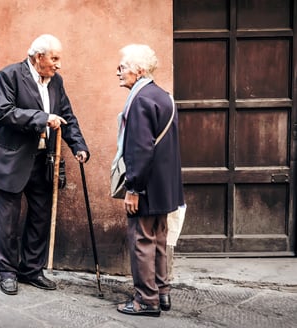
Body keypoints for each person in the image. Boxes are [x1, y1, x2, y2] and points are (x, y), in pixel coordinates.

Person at [0, 34, 90, 295]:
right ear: (38, 56)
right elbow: (5, 113)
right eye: (54, 58)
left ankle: (31, 269)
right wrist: (43, 118)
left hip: (43, 161)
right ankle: (7, 272)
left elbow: (66, 116)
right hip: (11, 160)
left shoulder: (56, 82)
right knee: (7, 222)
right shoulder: (9, 75)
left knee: (41, 217)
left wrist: (79, 146)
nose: (58, 64)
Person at [113, 44, 184, 316]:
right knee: (159, 239)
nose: (118, 72)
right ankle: (162, 292)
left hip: (146, 186)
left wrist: (134, 188)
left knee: (142, 240)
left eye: (123, 67)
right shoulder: (163, 96)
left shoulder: (140, 99)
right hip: (164, 187)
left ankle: (146, 300)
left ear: (139, 70)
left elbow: (140, 149)